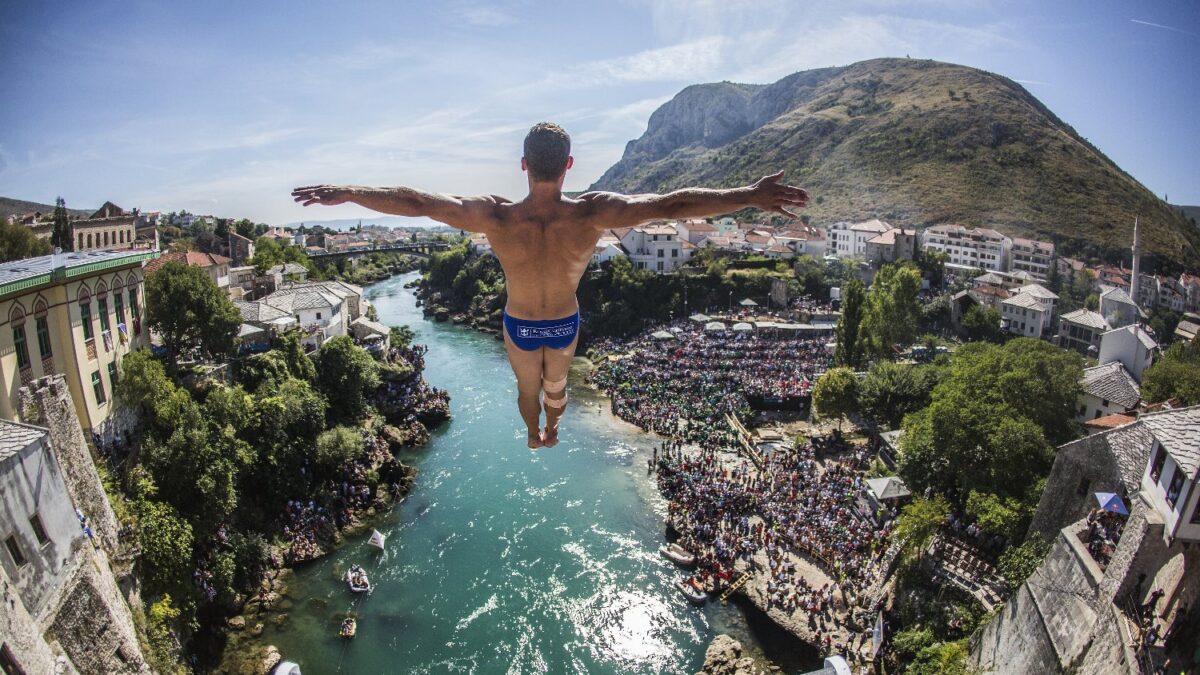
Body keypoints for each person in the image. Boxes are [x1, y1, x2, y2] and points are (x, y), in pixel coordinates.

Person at [293, 122, 808, 448]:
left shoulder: (495, 216)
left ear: (523, 166)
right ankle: (553, 429)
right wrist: (751, 193)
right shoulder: (593, 213)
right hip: (563, 323)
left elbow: (420, 202)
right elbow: (674, 203)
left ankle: (532, 432)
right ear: (568, 167)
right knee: (556, 386)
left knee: (526, 388)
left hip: (519, 324)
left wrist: (349, 192)